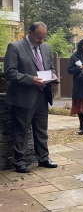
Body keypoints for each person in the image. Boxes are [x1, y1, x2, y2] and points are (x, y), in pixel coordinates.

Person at [4, 22, 58, 173]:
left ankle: (43, 158)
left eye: (43, 37)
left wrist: (53, 77)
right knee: (21, 130)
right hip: (23, 97)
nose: (41, 40)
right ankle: (19, 161)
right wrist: (31, 79)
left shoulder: (46, 48)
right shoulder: (15, 47)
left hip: (42, 94)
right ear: (29, 32)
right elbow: (10, 72)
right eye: (38, 37)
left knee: (42, 129)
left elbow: (50, 67)